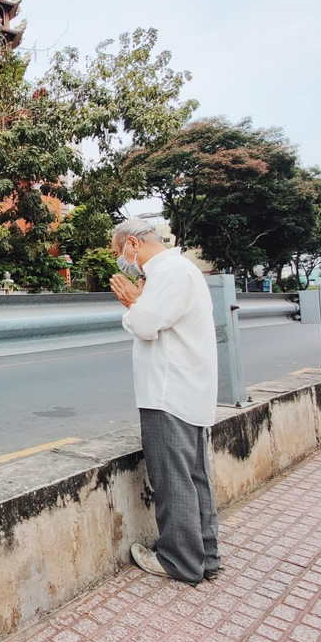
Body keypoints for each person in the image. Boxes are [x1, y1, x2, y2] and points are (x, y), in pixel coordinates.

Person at [109, 220, 220, 586]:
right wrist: (142, 303)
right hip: (187, 389)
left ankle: (179, 561)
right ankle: (204, 556)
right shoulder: (182, 269)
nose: (122, 262)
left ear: (134, 244)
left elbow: (145, 325)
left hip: (168, 393)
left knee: (172, 479)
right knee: (193, 476)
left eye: (119, 252)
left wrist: (131, 303)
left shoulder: (168, 272)